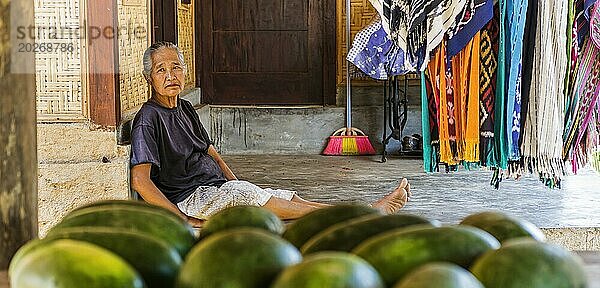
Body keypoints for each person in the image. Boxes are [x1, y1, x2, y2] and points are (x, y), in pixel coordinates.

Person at [131, 42, 411, 228]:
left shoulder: (185, 107)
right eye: (161, 70)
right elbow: (141, 181)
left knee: (291, 199)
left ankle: (359, 212)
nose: (170, 75)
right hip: (191, 197)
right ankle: (364, 215)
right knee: (276, 205)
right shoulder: (148, 119)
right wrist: (181, 218)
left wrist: (239, 185)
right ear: (149, 78)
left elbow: (212, 154)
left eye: (176, 67)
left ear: (185, 70)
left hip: (217, 189)